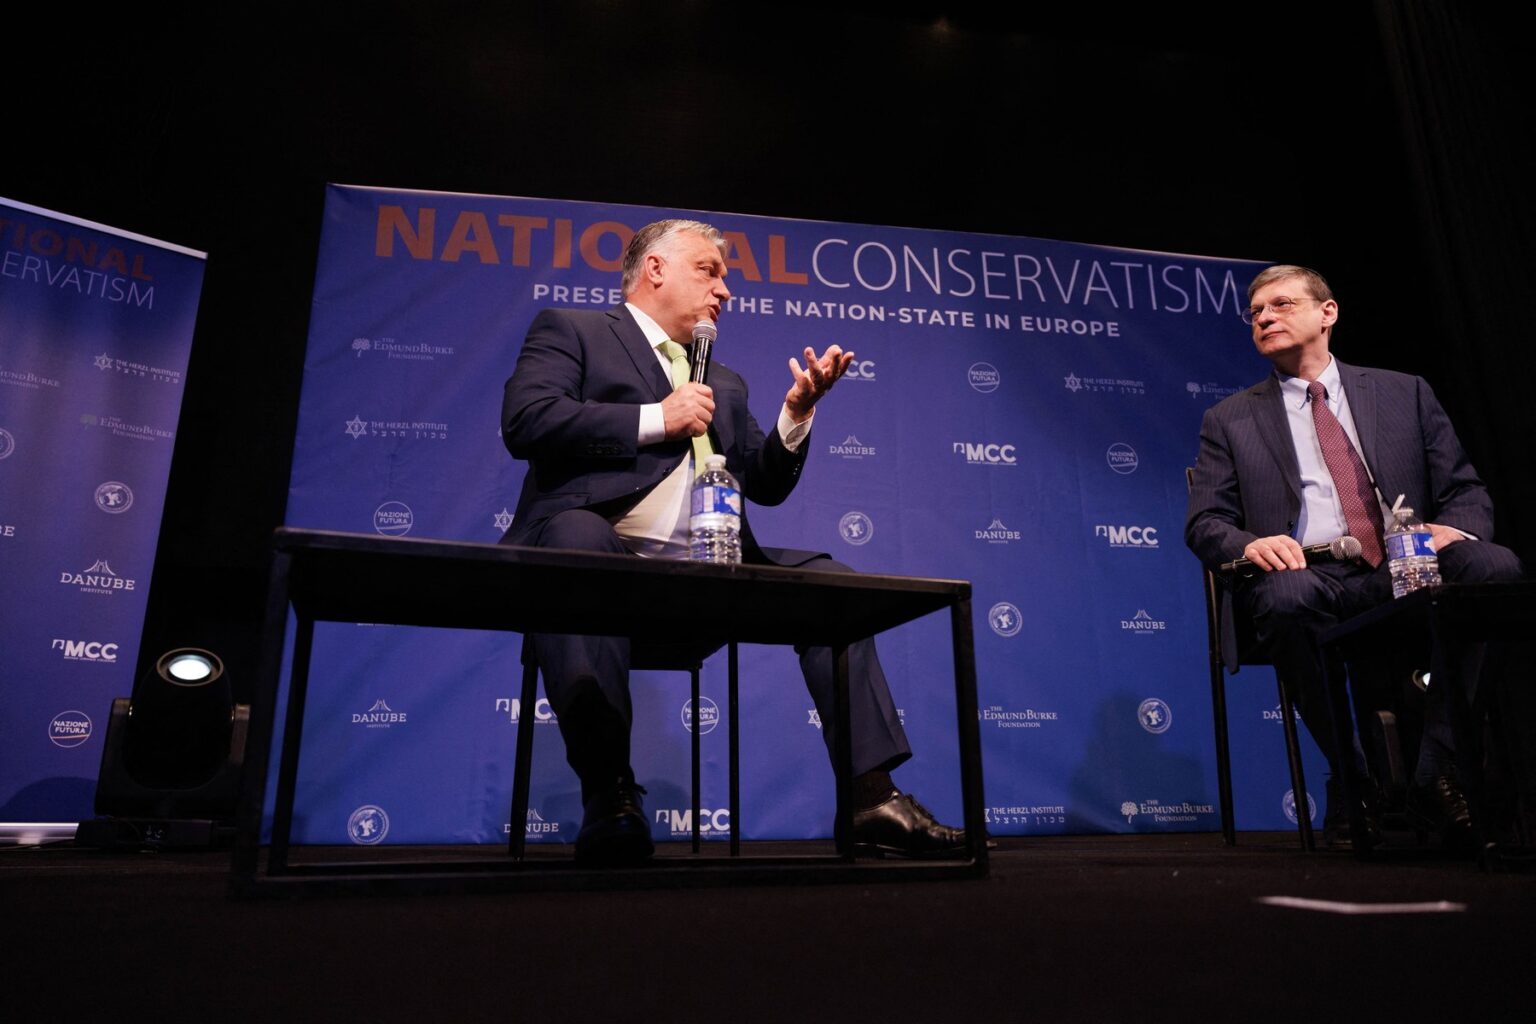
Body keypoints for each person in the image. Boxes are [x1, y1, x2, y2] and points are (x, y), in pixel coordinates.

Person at [499, 219, 965, 862]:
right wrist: (657, 419)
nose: (725, 292)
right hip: (594, 553)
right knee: (579, 539)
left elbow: (764, 485)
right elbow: (528, 420)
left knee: (836, 585)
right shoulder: (574, 331)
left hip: (710, 572)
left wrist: (796, 418)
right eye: (709, 272)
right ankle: (609, 796)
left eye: (725, 279)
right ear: (655, 269)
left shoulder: (726, 382)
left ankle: (871, 799)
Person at [1185, 264, 1523, 848]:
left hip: (1405, 565)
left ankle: (1434, 772)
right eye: (1256, 312)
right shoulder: (1230, 419)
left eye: (1281, 304)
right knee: (1285, 598)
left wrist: (1454, 531)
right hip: (1309, 574)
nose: (1264, 317)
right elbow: (1205, 521)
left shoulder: (1403, 392)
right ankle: (1356, 776)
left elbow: (1465, 489)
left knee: (1493, 566)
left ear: (1328, 312)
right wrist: (1249, 544)